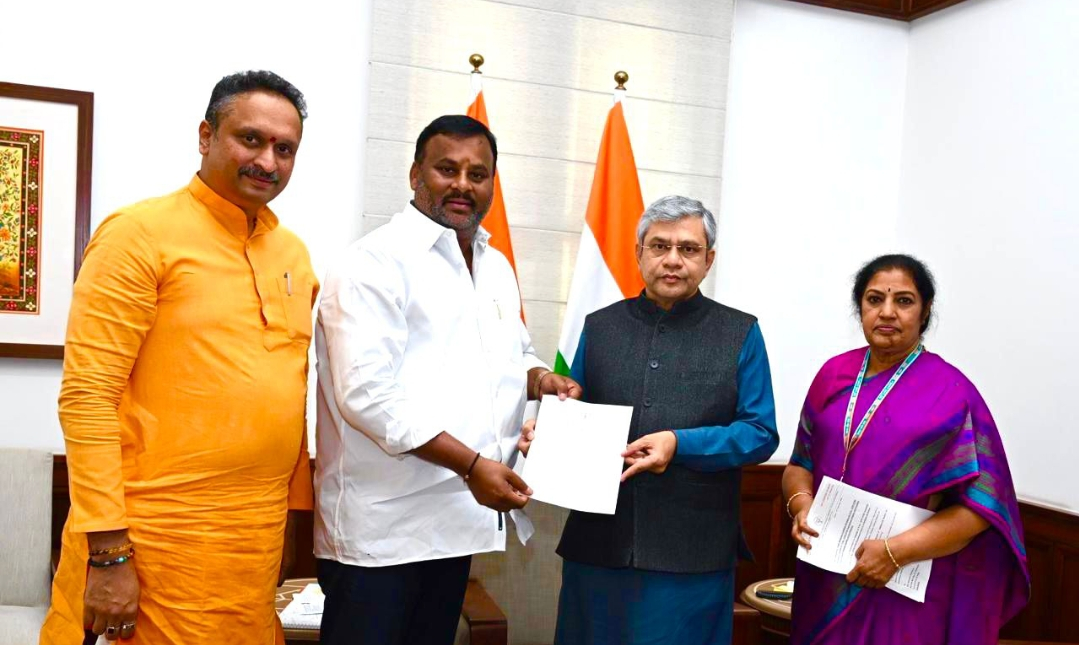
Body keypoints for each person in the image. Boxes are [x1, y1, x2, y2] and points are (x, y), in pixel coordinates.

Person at [40, 70, 317, 645]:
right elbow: (88, 397)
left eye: (284, 149)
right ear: (206, 135)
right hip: (152, 542)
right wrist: (109, 554)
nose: (267, 161)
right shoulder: (139, 234)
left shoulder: (292, 254)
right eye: (250, 139)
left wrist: (294, 522)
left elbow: (289, 395)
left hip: (254, 546)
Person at [313, 114, 580, 645]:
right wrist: (474, 466)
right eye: (446, 169)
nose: (462, 184)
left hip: (457, 525)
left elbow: (514, 356)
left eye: (477, 174)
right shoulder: (372, 263)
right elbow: (367, 396)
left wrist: (541, 380)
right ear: (416, 174)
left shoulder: (495, 265)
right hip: (382, 535)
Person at [520, 195, 780, 645]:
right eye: (659, 246)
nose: (673, 260)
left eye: (688, 249)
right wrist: (546, 436)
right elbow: (576, 409)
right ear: (639, 253)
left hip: (690, 553)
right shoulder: (600, 326)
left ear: (708, 259)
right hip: (597, 546)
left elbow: (760, 433)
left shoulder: (740, 331)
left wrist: (680, 444)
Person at [782, 253, 1029, 645]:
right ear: (860, 307)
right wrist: (801, 505)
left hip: (904, 581)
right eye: (874, 299)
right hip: (824, 577)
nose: (887, 312)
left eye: (903, 301)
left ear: (925, 310)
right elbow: (799, 465)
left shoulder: (951, 393)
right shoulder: (832, 376)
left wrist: (894, 553)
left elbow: (982, 508)